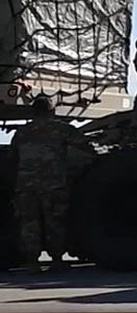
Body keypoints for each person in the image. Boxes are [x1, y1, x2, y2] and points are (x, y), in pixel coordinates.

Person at [10, 96, 95, 272]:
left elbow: (13, 157)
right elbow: (86, 147)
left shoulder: (22, 132)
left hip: (26, 186)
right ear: (52, 110)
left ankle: (33, 262)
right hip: (53, 184)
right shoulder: (61, 130)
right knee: (54, 222)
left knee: (29, 224)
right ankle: (56, 260)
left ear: (33, 111)